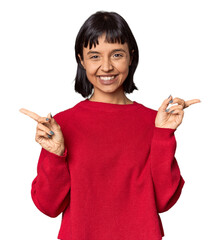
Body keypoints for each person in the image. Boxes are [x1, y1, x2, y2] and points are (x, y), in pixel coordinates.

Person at [19, 11, 201, 240]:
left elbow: (165, 200)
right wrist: (56, 155)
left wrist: (163, 134)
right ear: (81, 60)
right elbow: (49, 206)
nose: (106, 67)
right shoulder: (62, 124)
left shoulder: (153, 122)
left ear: (131, 56)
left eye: (116, 54)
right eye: (94, 56)